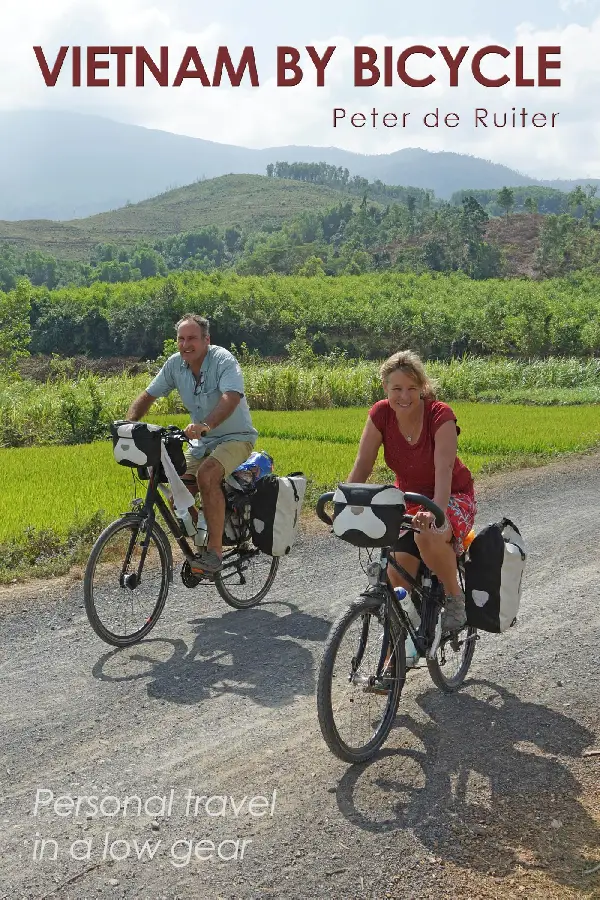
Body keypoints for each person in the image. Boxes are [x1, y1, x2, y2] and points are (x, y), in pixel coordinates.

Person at [347, 349, 476, 631]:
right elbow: (362, 465)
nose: (404, 396)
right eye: (396, 389)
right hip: (408, 498)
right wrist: (345, 502)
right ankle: (399, 653)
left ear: (422, 388)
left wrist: (436, 513)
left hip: (451, 496)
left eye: (411, 388)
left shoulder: (440, 416)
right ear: (385, 387)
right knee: (396, 574)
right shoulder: (381, 414)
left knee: (427, 537)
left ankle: (456, 599)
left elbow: (443, 472)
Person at [127, 314, 258, 576]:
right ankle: (207, 534)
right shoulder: (176, 365)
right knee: (178, 494)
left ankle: (215, 553)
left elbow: (230, 397)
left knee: (208, 475)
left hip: (236, 438)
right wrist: (127, 424)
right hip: (201, 443)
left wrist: (206, 425)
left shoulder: (222, 360)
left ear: (206, 340)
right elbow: (149, 395)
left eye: (192, 338)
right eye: (181, 339)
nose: (186, 344)